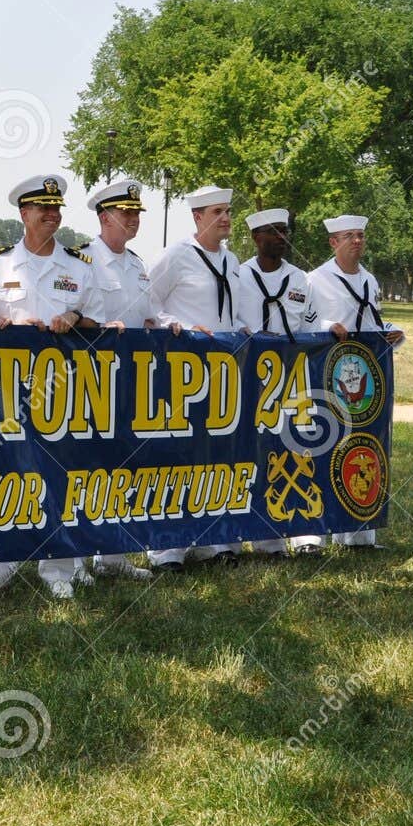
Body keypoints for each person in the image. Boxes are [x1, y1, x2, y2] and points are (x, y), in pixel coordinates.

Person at [0, 172, 106, 599]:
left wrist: (74, 318)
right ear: (23, 214)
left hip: (63, 389)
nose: (52, 215)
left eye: (56, 209)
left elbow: (99, 320)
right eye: (43, 209)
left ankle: (59, 570)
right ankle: (1, 562)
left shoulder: (78, 266)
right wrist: (6, 325)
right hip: (9, 389)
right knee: (6, 472)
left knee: (61, 472)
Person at [146, 184, 246, 570]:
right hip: (181, 371)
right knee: (177, 456)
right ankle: (167, 548)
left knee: (216, 456)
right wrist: (179, 326)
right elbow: (148, 305)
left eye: (228, 211)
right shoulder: (175, 256)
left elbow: (231, 312)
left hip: (222, 373)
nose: (225, 219)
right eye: (217, 212)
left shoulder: (232, 260)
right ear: (197, 217)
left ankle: (213, 541)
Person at [307, 214, 404, 550]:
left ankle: (359, 533)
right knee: (323, 445)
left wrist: (391, 333)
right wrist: (328, 323)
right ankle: (313, 534)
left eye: (361, 235)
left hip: (364, 378)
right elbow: (304, 322)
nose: (357, 241)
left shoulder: (369, 280)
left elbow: (371, 319)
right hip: (324, 372)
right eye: (349, 236)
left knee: (363, 446)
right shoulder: (315, 280)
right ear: (333, 242)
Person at [82, 178, 160, 581]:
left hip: (130, 383)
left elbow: (152, 314)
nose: (132, 219)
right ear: (104, 217)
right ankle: (75, 559)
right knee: (83, 468)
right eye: (125, 213)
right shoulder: (81, 261)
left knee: (122, 467)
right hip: (87, 384)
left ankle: (114, 555)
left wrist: (168, 324)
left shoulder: (137, 264)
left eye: (135, 213)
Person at [236, 208, 323, 557]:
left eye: (285, 231)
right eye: (273, 232)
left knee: (294, 450)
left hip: (291, 377)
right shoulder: (238, 276)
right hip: (248, 378)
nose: (281, 238)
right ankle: (248, 540)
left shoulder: (301, 279)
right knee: (249, 454)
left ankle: (293, 537)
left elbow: (311, 326)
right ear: (256, 238)